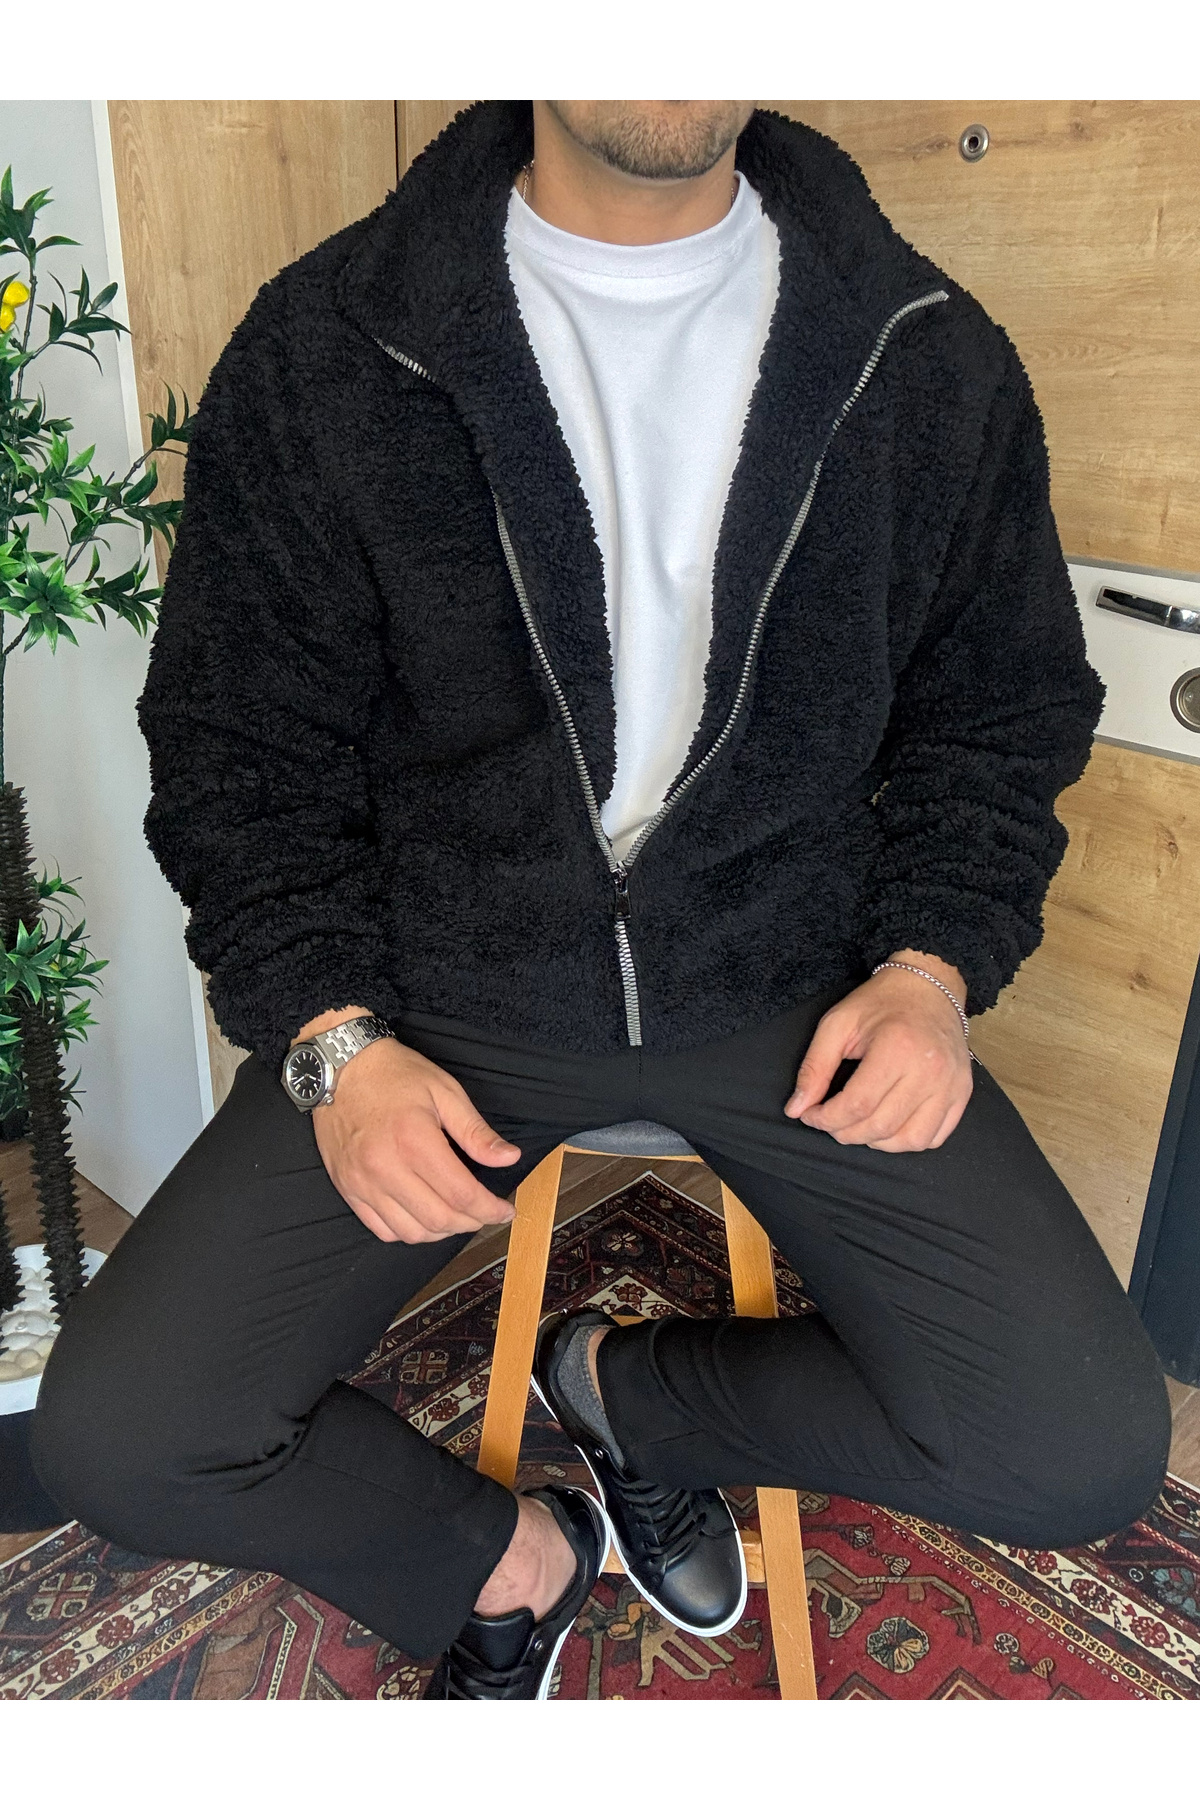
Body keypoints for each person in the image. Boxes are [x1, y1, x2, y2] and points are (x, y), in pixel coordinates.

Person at [32, 100, 1170, 1701]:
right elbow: (237, 746)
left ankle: (629, 1397)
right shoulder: (327, 344)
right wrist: (333, 1042)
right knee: (125, 1440)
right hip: (438, 996)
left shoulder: (926, 351)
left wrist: (932, 966)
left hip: (795, 987)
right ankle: (520, 1562)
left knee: (1080, 1448)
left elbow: (1000, 712)